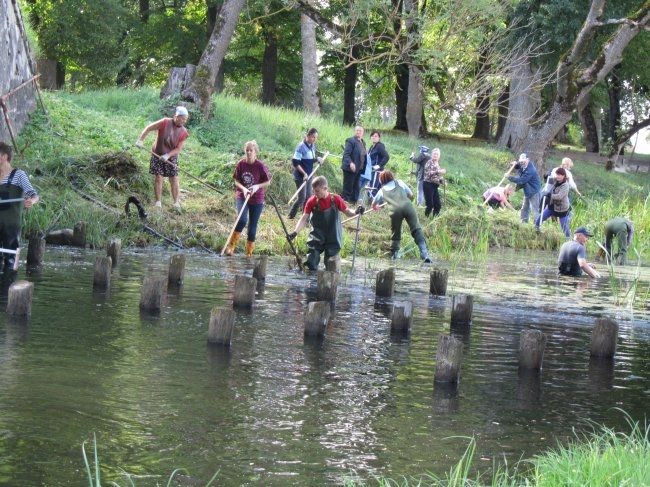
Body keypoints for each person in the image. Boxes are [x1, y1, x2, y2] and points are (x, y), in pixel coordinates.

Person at [288, 176, 362, 270]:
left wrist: (356, 211)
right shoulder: (312, 201)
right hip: (317, 236)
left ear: (325, 188)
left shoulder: (335, 199)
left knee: (331, 267)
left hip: (333, 237)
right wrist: (295, 232)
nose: (315, 193)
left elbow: (347, 212)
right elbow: (304, 218)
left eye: (317, 191)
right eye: (314, 191)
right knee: (311, 262)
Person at [371, 170, 431, 263]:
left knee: (396, 233)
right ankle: (424, 254)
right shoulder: (400, 182)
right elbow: (411, 195)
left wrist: (376, 207)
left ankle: (394, 257)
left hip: (395, 211)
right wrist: (406, 199)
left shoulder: (381, 191)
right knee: (416, 229)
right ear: (392, 176)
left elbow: (373, 205)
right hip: (408, 207)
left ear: (382, 180)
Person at [135, 106, 189, 209]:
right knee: (159, 177)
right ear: (175, 116)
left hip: (171, 156)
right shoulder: (165, 122)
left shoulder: (183, 132)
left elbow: (178, 149)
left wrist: (168, 155)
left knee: (174, 178)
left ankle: (176, 203)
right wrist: (140, 140)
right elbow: (149, 128)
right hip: (158, 154)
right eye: (181, 118)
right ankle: (158, 202)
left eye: (185, 119)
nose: (183, 121)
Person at [223, 140, 271, 257]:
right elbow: (236, 181)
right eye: (247, 150)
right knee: (242, 219)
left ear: (255, 152)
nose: (249, 153)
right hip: (242, 196)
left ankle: (248, 254)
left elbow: (267, 182)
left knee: (252, 226)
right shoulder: (241, 164)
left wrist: (256, 186)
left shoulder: (260, 166)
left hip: (257, 199)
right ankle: (231, 246)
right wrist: (244, 189)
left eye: (251, 150)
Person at [0, 142, 39, 272]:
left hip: (10, 227)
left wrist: (31, 202)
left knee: (10, 264)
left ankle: (8, 291)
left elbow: (34, 195)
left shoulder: (18, 175)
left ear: (4, 156)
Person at [288, 128, 323, 219]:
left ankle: (305, 218)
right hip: (300, 176)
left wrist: (317, 159)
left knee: (308, 197)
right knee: (302, 198)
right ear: (308, 136)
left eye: (315, 137)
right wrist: (304, 174)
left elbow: (310, 160)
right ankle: (291, 216)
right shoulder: (301, 147)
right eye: (313, 137)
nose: (314, 139)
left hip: (309, 175)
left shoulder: (312, 146)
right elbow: (296, 162)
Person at [536, 167, 571, 237]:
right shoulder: (555, 180)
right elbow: (547, 180)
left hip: (562, 209)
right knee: (540, 218)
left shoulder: (566, 185)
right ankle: (536, 230)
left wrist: (550, 195)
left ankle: (568, 240)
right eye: (557, 174)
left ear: (563, 176)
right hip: (552, 206)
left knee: (564, 227)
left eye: (559, 175)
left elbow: (559, 196)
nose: (558, 176)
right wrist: (546, 175)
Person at [508, 152, 541, 224]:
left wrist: (509, 177)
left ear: (528, 159)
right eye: (521, 161)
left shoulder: (531, 170)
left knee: (534, 210)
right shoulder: (523, 165)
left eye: (523, 161)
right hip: (528, 190)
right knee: (524, 208)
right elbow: (518, 166)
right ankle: (523, 223)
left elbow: (522, 180)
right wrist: (514, 164)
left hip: (534, 192)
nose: (521, 162)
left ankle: (537, 226)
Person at [341, 126, 367, 204]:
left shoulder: (363, 142)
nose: (358, 132)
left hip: (359, 168)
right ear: (354, 131)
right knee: (348, 186)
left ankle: (353, 202)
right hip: (350, 168)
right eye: (357, 130)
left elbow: (363, 155)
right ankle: (345, 202)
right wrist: (351, 163)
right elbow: (346, 154)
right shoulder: (350, 141)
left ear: (363, 133)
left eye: (360, 131)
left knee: (356, 187)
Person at [363, 130, 389, 202]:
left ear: (379, 138)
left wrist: (379, 165)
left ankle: (373, 204)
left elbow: (386, 157)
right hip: (371, 170)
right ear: (370, 137)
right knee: (377, 188)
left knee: (372, 188)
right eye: (372, 136)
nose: (374, 137)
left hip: (377, 171)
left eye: (376, 136)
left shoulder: (379, 146)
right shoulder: (372, 147)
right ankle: (379, 204)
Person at [422, 147, 446, 217]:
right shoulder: (429, 163)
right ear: (431, 154)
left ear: (439, 156)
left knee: (438, 205)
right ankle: (426, 218)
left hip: (434, 186)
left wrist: (442, 181)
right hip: (428, 185)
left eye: (437, 154)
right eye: (434, 154)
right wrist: (439, 171)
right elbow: (429, 174)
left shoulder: (437, 163)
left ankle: (434, 219)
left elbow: (438, 176)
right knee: (430, 205)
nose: (435, 155)